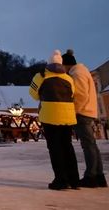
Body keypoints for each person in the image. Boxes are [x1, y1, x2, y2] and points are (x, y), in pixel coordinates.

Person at [29, 50, 79, 190]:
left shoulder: (41, 76)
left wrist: (44, 96)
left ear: (49, 63)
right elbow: (73, 94)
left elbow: (32, 93)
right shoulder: (68, 78)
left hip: (50, 115)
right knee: (67, 146)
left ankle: (61, 179)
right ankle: (74, 180)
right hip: (68, 116)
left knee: (55, 148)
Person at [62, 49, 107, 188]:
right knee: (91, 145)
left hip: (82, 113)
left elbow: (80, 95)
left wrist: (74, 111)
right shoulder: (83, 71)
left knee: (88, 146)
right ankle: (99, 176)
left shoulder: (77, 73)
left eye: (63, 66)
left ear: (67, 65)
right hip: (88, 112)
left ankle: (91, 176)